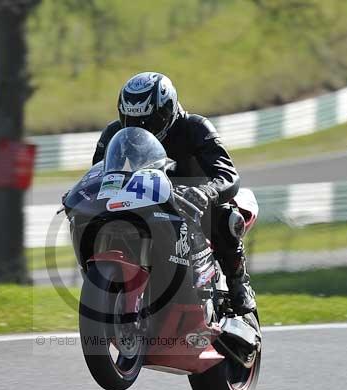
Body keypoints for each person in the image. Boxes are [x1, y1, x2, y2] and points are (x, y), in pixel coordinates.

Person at [92, 71, 255, 315]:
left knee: (227, 216)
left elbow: (229, 175)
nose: (140, 128)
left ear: (167, 110)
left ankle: (238, 283)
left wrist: (207, 192)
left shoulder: (195, 127)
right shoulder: (114, 134)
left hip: (194, 204)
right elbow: (98, 176)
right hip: (142, 202)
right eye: (132, 120)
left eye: (149, 120)